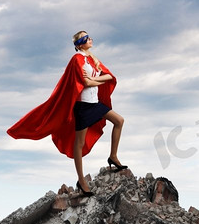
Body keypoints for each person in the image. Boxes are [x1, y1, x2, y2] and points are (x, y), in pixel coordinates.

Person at [7, 31, 127, 196]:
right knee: (79, 143)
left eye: (89, 36)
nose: (90, 39)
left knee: (119, 121)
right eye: (86, 38)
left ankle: (113, 156)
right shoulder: (76, 59)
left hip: (95, 104)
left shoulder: (92, 59)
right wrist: (95, 81)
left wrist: (96, 81)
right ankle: (81, 180)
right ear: (79, 44)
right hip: (83, 106)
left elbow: (108, 76)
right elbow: (84, 82)